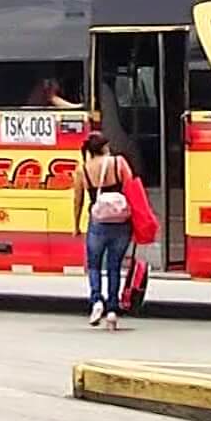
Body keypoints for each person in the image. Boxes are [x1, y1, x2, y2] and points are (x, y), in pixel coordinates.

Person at [73, 131, 133, 329]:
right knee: (114, 267)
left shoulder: (83, 170)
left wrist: (75, 225)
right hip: (121, 221)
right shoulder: (119, 163)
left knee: (94, 265)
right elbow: (132, 188)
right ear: (105, 147)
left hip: (98, 222)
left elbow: (78, 199)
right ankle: (113, 310)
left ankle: (97, 300)